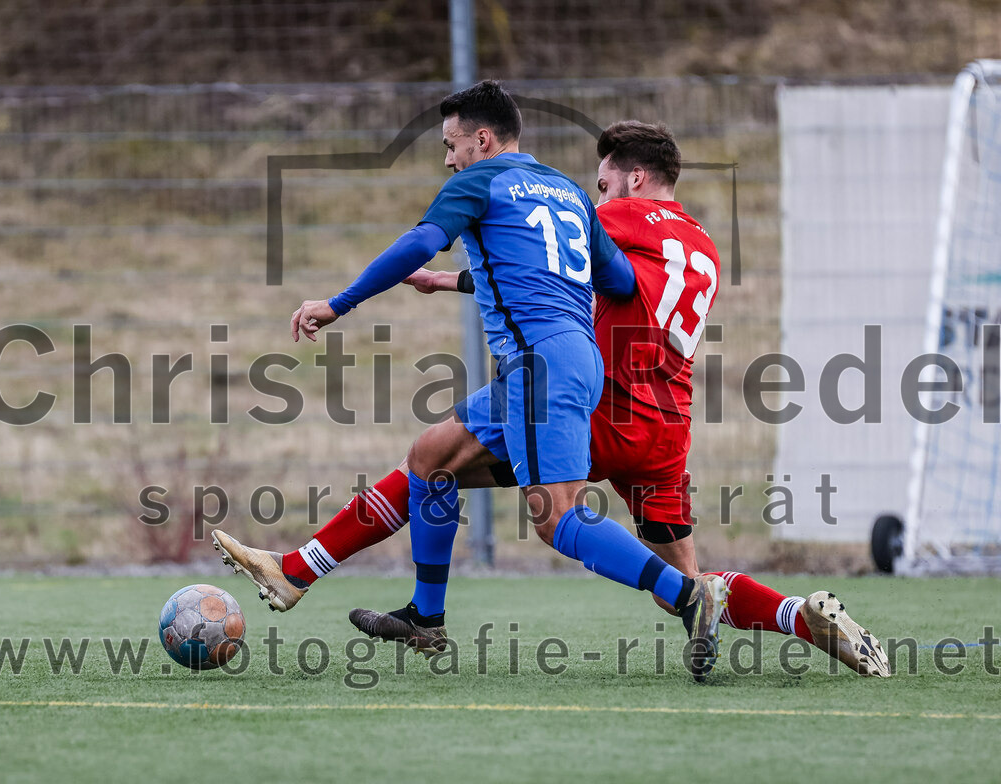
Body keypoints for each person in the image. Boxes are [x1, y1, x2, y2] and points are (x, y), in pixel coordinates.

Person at [214, 83, 728, 681]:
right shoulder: (566, 191)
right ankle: (390, 606)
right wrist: (466, 282)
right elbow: (613, 279)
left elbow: (418, 242)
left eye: (452, 143)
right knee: (432, 456)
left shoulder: (478, 182)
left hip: (540, 366)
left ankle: (691, 595)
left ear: (482, 138)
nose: (449, 157)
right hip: (572, 360)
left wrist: (338, 303)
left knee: (556, 518)